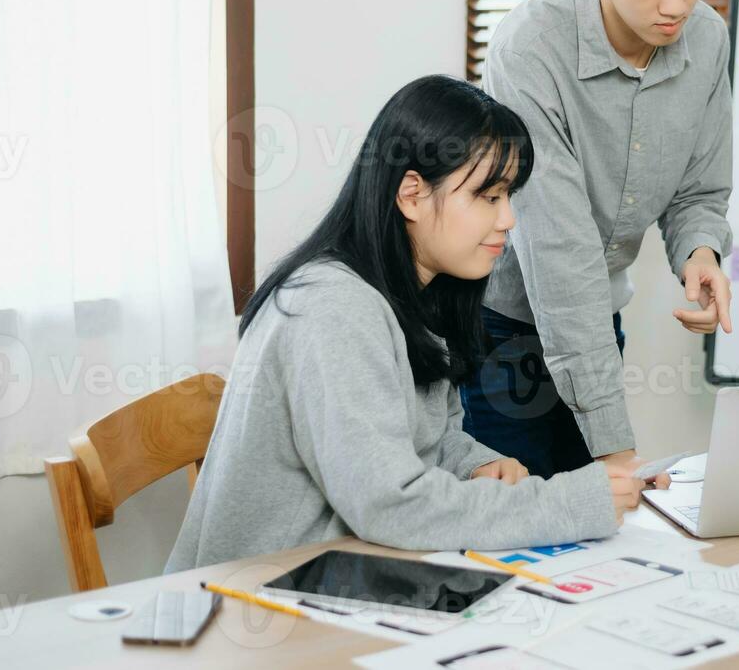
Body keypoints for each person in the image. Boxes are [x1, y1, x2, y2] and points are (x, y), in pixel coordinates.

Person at [165, 76, 655, 571]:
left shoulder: (419, 295)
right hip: (262, 602)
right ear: (412, 195)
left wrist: (474, 463)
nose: (508, 218)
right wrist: (569, 502)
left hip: (347, 576)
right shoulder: (331, 308)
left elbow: (423, 436)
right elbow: (390, 504)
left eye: (510, 196)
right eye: (489, 197)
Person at [462, 0, 735, 479]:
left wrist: (699, 255)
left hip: (596, 320)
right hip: (500, 329)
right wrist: (616, 456)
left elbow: (699, 189)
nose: (676, 5)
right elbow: (557, 252)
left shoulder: (708, 39)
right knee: (513, 535)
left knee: (594, 548)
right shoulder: (531, 48)